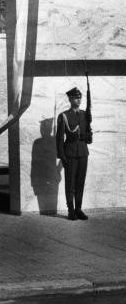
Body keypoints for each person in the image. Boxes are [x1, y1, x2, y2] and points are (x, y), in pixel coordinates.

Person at [56, 87, 90, 221]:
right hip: (69, 153)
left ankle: (78, 209)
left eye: (80, 97)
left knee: (80, 182)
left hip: (83, 152)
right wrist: (61, 155)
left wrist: (89, 137)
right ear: (70, 99)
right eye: (76, 98)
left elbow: (87, 132)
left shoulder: (84, 114)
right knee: (70, 183)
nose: (79, 100)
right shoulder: (64, 116)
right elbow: (59, 138)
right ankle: (71, 210)